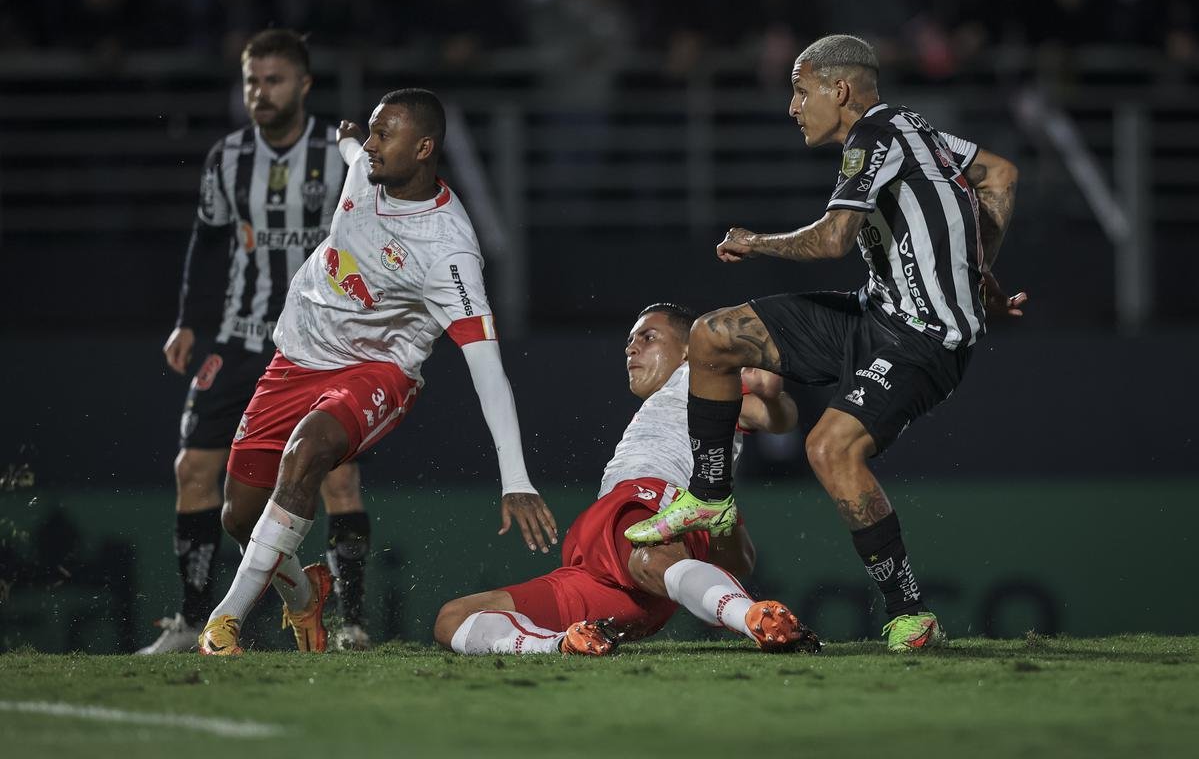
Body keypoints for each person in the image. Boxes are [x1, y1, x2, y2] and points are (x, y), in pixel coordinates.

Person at [626, 34, 1027, 652]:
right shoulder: (913, 130)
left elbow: (835, 239)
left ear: (838, 90)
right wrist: (973, 275)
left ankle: (909, 609)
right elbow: (998, 173)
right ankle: (709, 497)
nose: (792, 107)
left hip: (924, 340)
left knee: (829, 449)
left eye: (799, 90)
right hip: (874, 313)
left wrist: (756, 243)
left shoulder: (875, 132)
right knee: (712, 337)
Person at [197, 87, 557, 656]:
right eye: (370, 131)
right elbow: (351, 154)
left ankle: (224, 622)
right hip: (295, 358)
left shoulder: (449, 251)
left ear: (424, 148)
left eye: (383, 134)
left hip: (376, 370)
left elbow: (488, 370)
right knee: (239, 518)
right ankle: (304, 595)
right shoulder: (367, 167)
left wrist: (515, 478)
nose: (370, 145)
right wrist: (346, 138)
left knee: (307, 451)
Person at [139, 28, 374, 654]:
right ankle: (193, 620)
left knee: (339, 481)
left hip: (322, 344)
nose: (260, 93)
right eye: (251, 82)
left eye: (273, 81)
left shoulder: (341, 154)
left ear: (304, 84)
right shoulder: (227, 157)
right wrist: (189, 320)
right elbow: (209, 239)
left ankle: (349, 624)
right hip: (241, 338)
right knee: (194, 471)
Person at [434, 304, 820, 656]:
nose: (631, 349)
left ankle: (758, 620)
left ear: (690, 349)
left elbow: (776, 416)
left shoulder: (701, 377)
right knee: (453, 618)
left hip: (650, 511)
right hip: (612, 574)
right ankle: (561, 644)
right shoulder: (672, 401)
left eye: (648, 337)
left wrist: (772, 398)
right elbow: (741, 561)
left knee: (648, 552)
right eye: (629, 342)